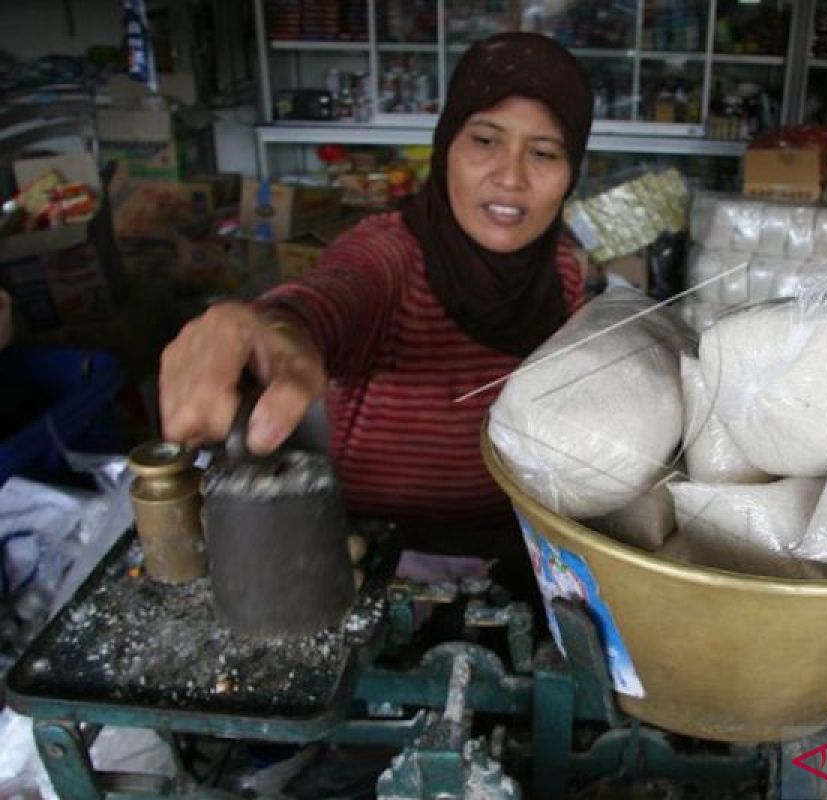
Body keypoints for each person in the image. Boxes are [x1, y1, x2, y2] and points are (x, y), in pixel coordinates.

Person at [158, 33, 594, 584]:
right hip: (378, 561)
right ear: (446, 145)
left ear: (571, 170)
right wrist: (272, 331)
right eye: (484, 140)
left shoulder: (563, 271)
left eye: (544, 153)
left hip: (522, 560)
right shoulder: (391, 257)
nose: (510, 176)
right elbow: (331, 295)